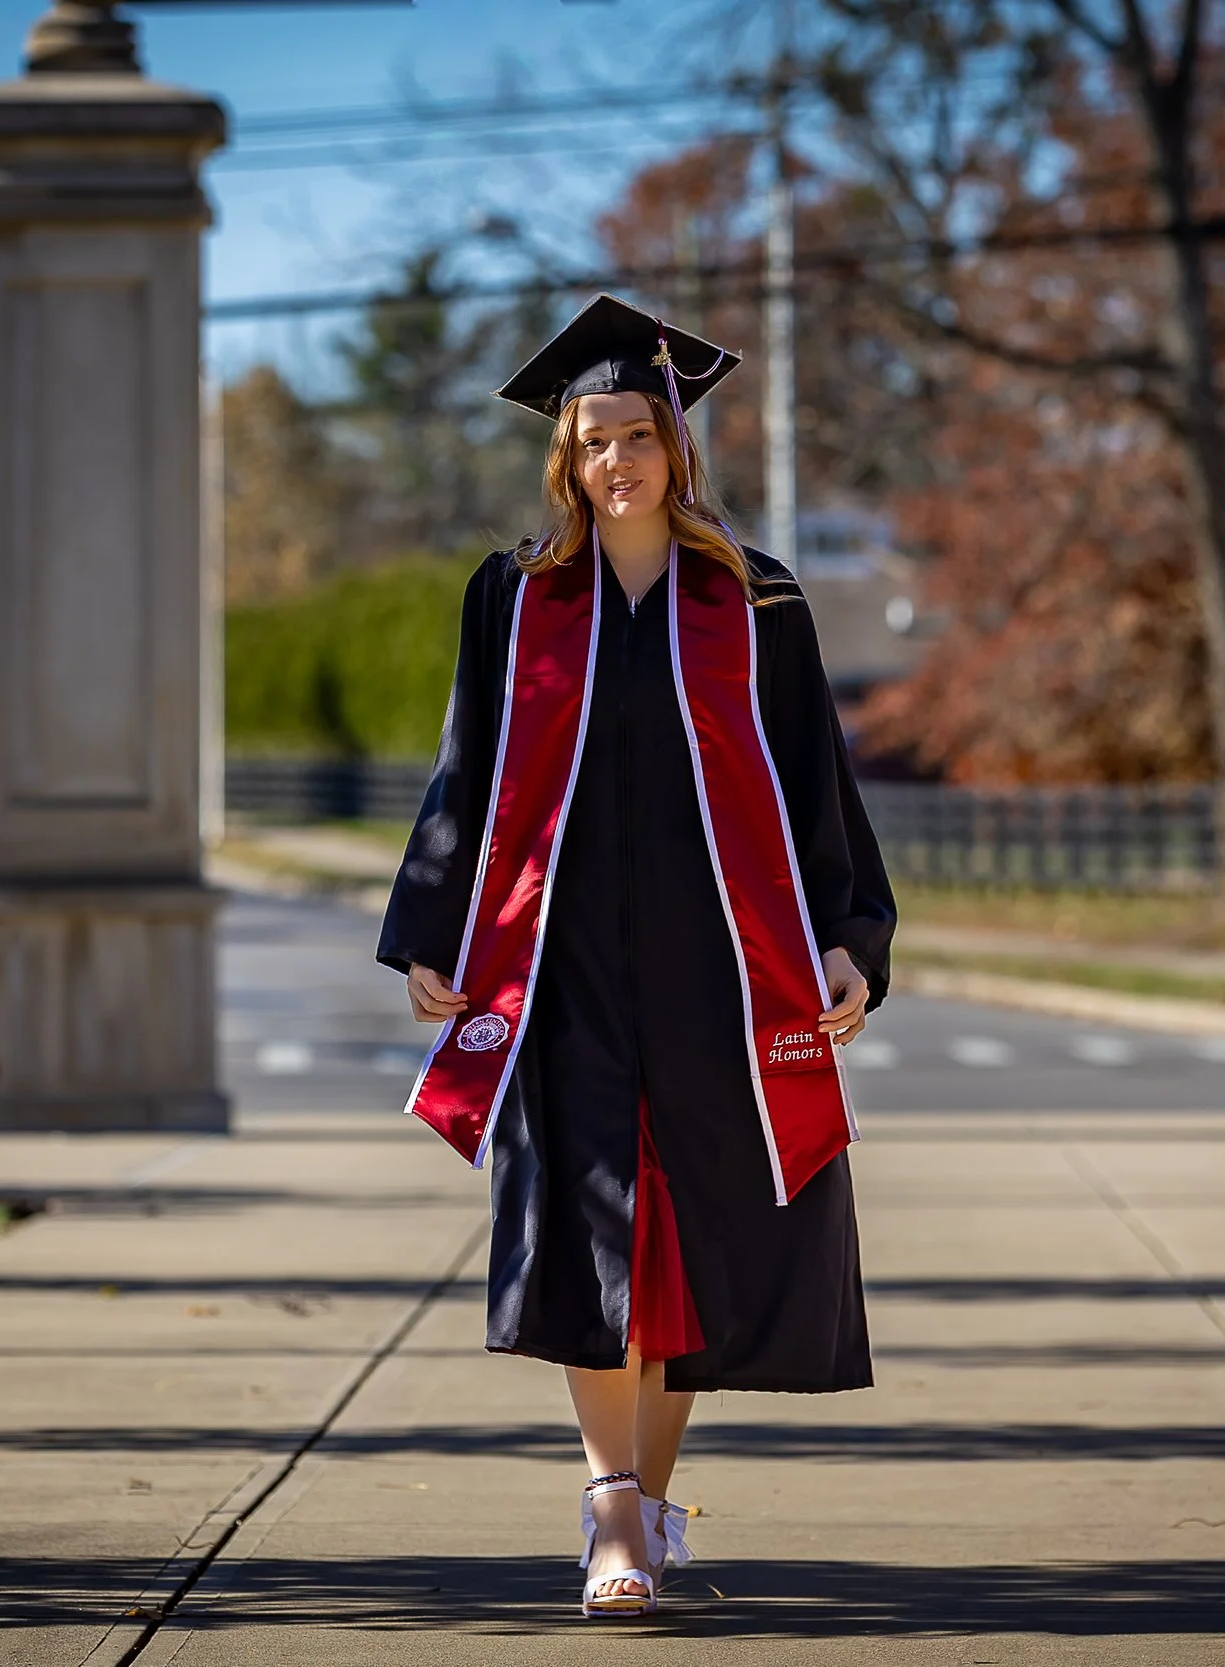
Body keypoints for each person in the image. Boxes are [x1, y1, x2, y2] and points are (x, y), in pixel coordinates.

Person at [377, 293, 897, 1620]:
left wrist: (852, 939)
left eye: (636, 436)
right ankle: (611, 1503)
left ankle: (650, 1504)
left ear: (675, 445)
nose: (616, 461)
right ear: (568, 453)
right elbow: (468, 770)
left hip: (720, 959)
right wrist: (433, 929)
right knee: (582, 1215)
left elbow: (811, 781)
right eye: (592, 438)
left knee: (695, 1227)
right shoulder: (516, 592)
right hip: (558, 963)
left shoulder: (755, 598)